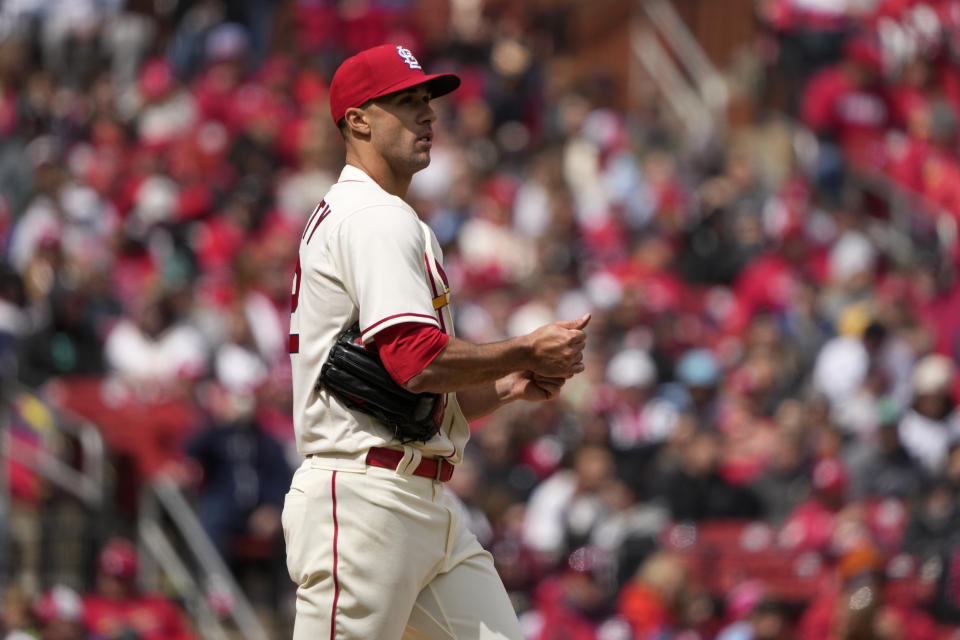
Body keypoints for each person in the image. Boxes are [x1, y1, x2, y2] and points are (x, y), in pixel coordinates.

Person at [281, 43, 590, 640]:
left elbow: (407, 393)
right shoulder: (374, 216)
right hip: (366, 498)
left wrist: (506, 385)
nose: (427, 115)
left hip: (422, 500)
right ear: (358, 119)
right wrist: (523, 348)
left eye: (427, 101)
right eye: (405, 102)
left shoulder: (383, 215)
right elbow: (415, 362)